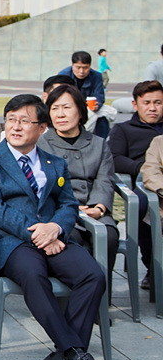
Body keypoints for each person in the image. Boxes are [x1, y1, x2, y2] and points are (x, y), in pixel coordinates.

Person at [0, 94, 108, 360]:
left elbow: (69, 204)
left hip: (55, 238)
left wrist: (56, 228)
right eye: (11, 119)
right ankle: (75, 352)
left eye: (24, 121)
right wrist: (38, 233)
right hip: (14, 242)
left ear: (42, 128)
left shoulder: (54, 163)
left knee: (93, 275)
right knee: (34, 275)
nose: (16, 126)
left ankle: (61, 357)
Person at [38, 83, 119, 263]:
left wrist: (99, 208)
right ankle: (80, 287)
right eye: (55, 108)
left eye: (66, 108)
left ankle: (103, 289)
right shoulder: (40, 144)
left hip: (93, 208)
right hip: (58, 212)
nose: (60, 114)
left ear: (81, 112)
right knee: (72, 237)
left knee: (109, 237)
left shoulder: (99, 144)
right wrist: (69, 208)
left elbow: (104, 180)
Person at [108, 80, 163, 292]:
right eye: (147, 102)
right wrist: (142, 167)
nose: (152, 107)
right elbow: (113, 158)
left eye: (158, 102)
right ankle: (152, 265)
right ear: (135, 104)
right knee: (142, 205)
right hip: (141, 184)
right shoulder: (124, 129)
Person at [58, 51, 109, 138]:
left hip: (89, 108)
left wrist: (97, 105)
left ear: (90, 66)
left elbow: (99, 96)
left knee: (104, 116)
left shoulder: (96, 76)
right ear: (72, 65)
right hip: (68, 107)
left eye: (85, 68)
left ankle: (101, 142)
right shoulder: (63, 75)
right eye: (78, 67)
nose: (81, 71)